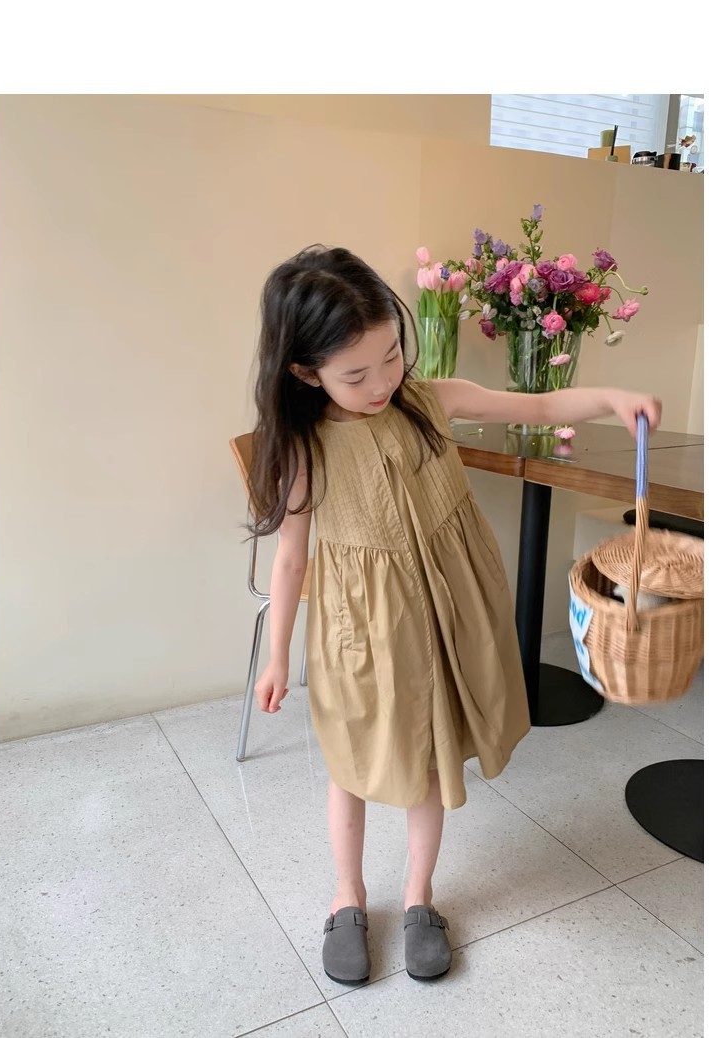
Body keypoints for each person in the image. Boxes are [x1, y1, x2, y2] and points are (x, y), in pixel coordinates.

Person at [248, 245, 662, 986]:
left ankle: (419, 898)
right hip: (361, 631)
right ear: (305, 373)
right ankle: (348, 896)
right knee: (352, 762)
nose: (382, 383)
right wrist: (278, 654)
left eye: (390, 357)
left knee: (432, 766)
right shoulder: (308, 448)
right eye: (355, 375)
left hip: (443, 616)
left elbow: (537, 407)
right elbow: (290, 560)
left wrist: (612, 398)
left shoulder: (428, 399)